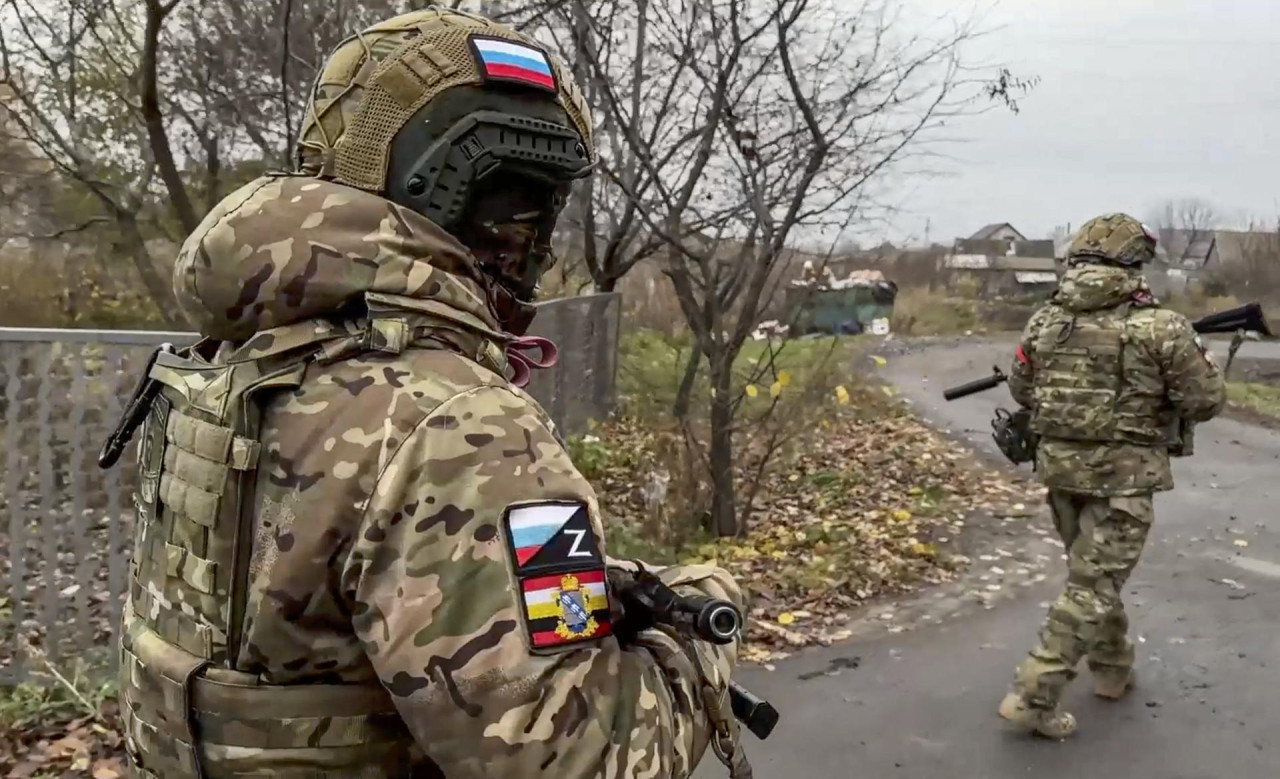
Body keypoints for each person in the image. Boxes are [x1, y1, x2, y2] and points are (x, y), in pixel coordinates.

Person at [112, 8, 746, 777]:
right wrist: (701, 625)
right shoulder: (458, 422)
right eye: (512, 205)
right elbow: (582, 757)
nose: (530, 243)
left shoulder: (235, 357)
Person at [997, 213, 1226, 738]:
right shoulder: (1162, 327)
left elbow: (1022, 389)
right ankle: (1033, 695)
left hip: (1059, 473)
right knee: (1093, 585)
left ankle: (1112, 670)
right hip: (1123, 479)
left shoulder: (1045, 320)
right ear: (1135, 264)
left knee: (1094, 579)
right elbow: (1206, 401)